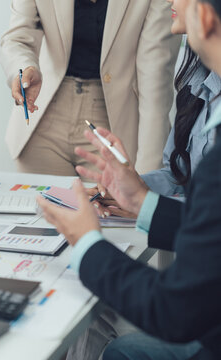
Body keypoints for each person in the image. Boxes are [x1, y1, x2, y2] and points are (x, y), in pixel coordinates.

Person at [38, 0, 221, 357]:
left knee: (109, 340)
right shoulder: (197, 85)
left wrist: (88, 242)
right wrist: (140, 199)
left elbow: (174, 311)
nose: (171, 1)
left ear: (205, 16)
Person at [0, 0, 181, 178]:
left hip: (113, 125)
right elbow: (18, 38)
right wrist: (25, 67)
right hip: (45, 120)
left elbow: (155, 82)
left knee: (109, 205)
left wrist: (148, 177)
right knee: (39, 207)